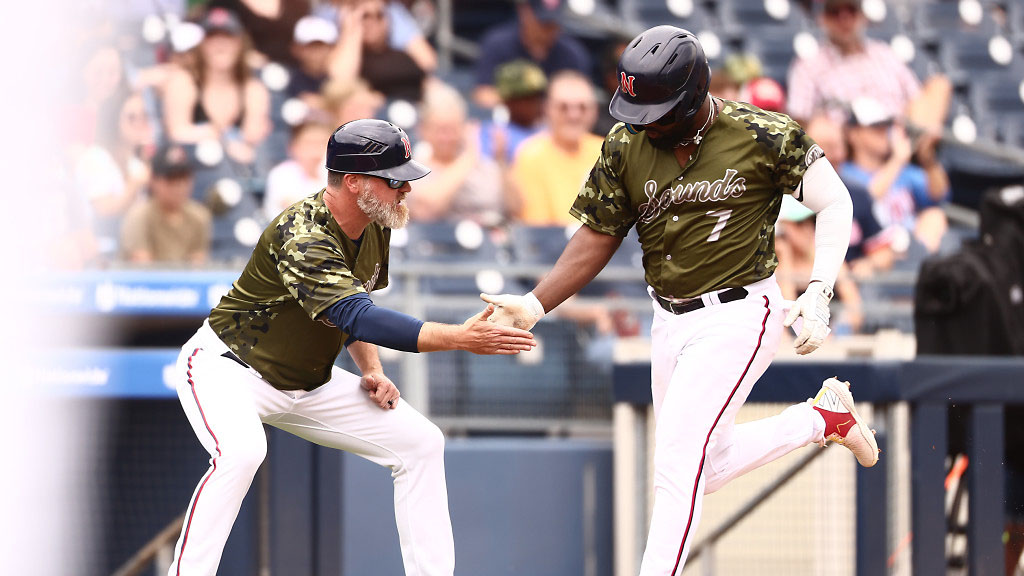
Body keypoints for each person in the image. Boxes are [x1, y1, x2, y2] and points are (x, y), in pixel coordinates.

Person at [480, 26, 878, 573]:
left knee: (672, 466)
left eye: (657, 110)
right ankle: (821, 420)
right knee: (704, 469)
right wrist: (534, 304)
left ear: (693, 96)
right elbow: (599, 233)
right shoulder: (625, 142)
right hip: (667, 319)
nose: (643, 122)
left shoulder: (761, 133)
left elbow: (835, 201)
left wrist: (819, 288)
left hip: (740, 313)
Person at [167, 119, 536, 576]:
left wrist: (373, 368)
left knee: (421, 444)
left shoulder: (375, 220)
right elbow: (357, 316)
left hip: (308, 380)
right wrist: (459, 338)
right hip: (228, 368)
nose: (405, 188)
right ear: (354, 181)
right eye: (394, 179)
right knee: (242, 452)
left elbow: (359, 304)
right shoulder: (302, 234)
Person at [786, 0, 950, 132]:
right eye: (835, 13)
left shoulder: (884, 52)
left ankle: (919, 152)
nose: (844, 19)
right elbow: (800, 121)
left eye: (851, 11)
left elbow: (916, 99)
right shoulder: (809, 65)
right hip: (853, 142)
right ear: (823, 19)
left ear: (862, 16)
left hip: (900, 132)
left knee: (939, 84)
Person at [162, 7, 272, 166]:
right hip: (195, 171)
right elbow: (176, 132)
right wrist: (221, 139)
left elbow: (253, 139)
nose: (220, 44)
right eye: (212, 37)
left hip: (240, 173)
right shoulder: (183, 81)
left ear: (239, 43)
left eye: (227, 36)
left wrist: (210, 134)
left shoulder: (253, 89)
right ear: (201, 44)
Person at [842, 97, 949, 256]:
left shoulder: (904, 170)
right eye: (875, 127)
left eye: (886, 126)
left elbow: (940, 195)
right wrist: (897, 161)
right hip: (874, 249)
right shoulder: (845, 173)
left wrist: (928, 160)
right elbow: (864, 201)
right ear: (853, 134)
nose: (883, 133)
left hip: (911, 246)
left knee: (935, 216)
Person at [407, 82, 510, 225]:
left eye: (453, 129)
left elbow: (514, 209)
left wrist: (502, 161)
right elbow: (425, 209)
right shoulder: (415, 167)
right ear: (423, 130)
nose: (447, 137)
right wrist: (468, 157)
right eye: (441, 130)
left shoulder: (484, 166)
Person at [804, 115, 895, 276]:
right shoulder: (788, 194)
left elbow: (884, 252)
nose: (834, 154)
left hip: (853, 283)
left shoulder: (858, 195)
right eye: (826, 146)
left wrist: (869, 263)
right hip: (803, 283)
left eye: (838, 146)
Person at [511, 70, 603, 225]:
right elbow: (538, 226)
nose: (574, 115)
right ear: (547, 110)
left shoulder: (608, 151)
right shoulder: (531, 155)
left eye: (582, 107)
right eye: (563, 107)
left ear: (594, 111)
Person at [472, 0, 591, 109]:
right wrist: (524, 100)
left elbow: (582, 99)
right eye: (543, 22)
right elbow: (483, 95)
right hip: (510, 125)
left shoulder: (572, 54)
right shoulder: (497, 44)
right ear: (524, 11)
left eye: (553, 22)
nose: (548, 29)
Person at [121, 143, 213, 265]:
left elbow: (198, 265)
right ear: (153, 180)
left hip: (186, 283)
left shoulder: (199, 216)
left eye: (184, 177)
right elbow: (142, 269)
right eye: (171, 178)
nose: (179, 186)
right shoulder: (139, 217)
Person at [328, 0, 428, 103]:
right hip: (378, 111)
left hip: (415, 105)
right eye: (365, 16)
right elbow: (341, 79)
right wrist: (353, 32)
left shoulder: (401, 54)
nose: (373, 21)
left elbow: (428, 63)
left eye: (379, 15)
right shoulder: (348, 57)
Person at [478, 59, 547, 166]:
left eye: (537, 96)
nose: (535, 103)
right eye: (526, 98)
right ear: (508, 101)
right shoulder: (493, 134)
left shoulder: (551, 131)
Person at [262, 120, 333, 220]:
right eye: (310, 143)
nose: (316, 149)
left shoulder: (330, 173)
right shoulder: (283, 173)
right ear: (293, 146)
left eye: (322, 142)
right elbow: (296, 209)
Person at [285, 15, 339, 107]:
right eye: (310, 46)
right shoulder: (290, 80)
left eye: (320, 46)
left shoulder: (338, 78)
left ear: (332, 49)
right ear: (296, 48)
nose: (316, 53)